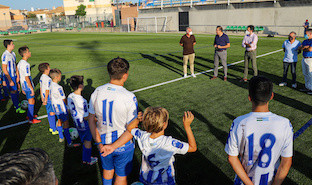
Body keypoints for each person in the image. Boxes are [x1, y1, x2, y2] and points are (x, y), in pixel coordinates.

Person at [225, 76, 293, 185]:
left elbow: (232, 158)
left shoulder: (239, 122)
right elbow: (286, 161)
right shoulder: (284, 123)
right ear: (271, 96)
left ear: (249, 97)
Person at [102, 107, 197, 185]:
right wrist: (187, 126)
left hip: (146, 180)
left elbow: (130, 128)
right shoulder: (169, 143)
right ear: (164, 125)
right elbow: (193, 148)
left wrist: (137, 119)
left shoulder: (143, 136)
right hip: (165, 182)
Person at [88, 57, 138, 185]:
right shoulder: (129, 97)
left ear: (109, 72)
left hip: (102, 141)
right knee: (121, 175)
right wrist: (113, 146)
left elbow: (91, 120)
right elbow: (131, 128)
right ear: (125, 76)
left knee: (107, 169)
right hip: (123, 144)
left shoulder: (97, 91)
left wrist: (99, 144)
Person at [67, 75, 98, 165]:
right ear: (80, 86)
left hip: (76, 123)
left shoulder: (70, 96)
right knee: (88, 141)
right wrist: (95, 119)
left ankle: (86, 157)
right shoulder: (82, 100)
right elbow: (85, 116)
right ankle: (87, 159)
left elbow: (69, 110)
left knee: (85, 140)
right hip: (84, 124)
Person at [50, 68, 80, 147]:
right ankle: (69, 142)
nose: (60, 77)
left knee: (59, 120)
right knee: (66, 123)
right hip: (61, 108)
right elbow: (63, 98)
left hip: (55, 106)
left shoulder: (50, 85)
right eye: (60, 76)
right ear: (56, 77)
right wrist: (67, 107)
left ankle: (61, 137)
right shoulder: (59, 87)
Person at [17, 46, 41, 124]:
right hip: (27, 84)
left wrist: (22, 87)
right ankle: (30, 119)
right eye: (28, 51)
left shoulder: (20, 62)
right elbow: (27, 77)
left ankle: (29, 115)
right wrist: (31, 88)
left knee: (30, 99)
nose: (30, 53)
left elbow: (19, 75)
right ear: (25, 53)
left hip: (24, 84)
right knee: (31, 100)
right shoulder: (26, 64)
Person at [1, 39, 25, 113]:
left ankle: (16, 103)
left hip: (14, 75)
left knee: (17, 90)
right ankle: (17, 107)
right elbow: (4, 69)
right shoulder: (5, 55)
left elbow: (15, 65)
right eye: (12, 44)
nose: (13, 45)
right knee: (14, 91)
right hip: (9, 76)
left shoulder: (13, 54)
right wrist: (10, 80)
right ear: (8, 45)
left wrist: (17, 76)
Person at [39, 63, 58, 134]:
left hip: (44, 96)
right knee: (52, 112)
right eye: (49, 68)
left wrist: (42, 97)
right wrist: (46, 100)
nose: (50, 69)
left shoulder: (42, 77)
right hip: (49, 97)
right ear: (46, 69)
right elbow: (47, 90)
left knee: (49, 112)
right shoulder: (48, 79)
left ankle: (51, 127)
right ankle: (54, 129)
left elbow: (41, 88)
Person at [298, 29, 312, 95]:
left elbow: (310, 49)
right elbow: (299, 48)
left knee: (310, 74)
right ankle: (307, 87)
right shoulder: (305, 41)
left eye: (306, 34)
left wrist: (305, 48)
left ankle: (311, 88)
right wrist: (305, 47)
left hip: (310, 59)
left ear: (310, 34)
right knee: (305, 73)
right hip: (304, 58)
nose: (305, 35)